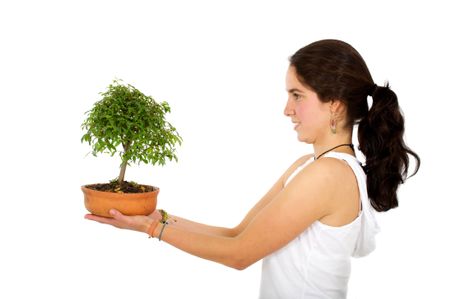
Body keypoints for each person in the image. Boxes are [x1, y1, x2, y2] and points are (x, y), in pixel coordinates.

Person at [85, 39, 420, 298]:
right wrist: (159, 219)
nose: (287, 109)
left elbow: (239, 255)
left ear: (334, 104)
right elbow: (238, 233)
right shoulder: (308, 166)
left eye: (297, 95)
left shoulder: (330, 175)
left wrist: (151, 230)